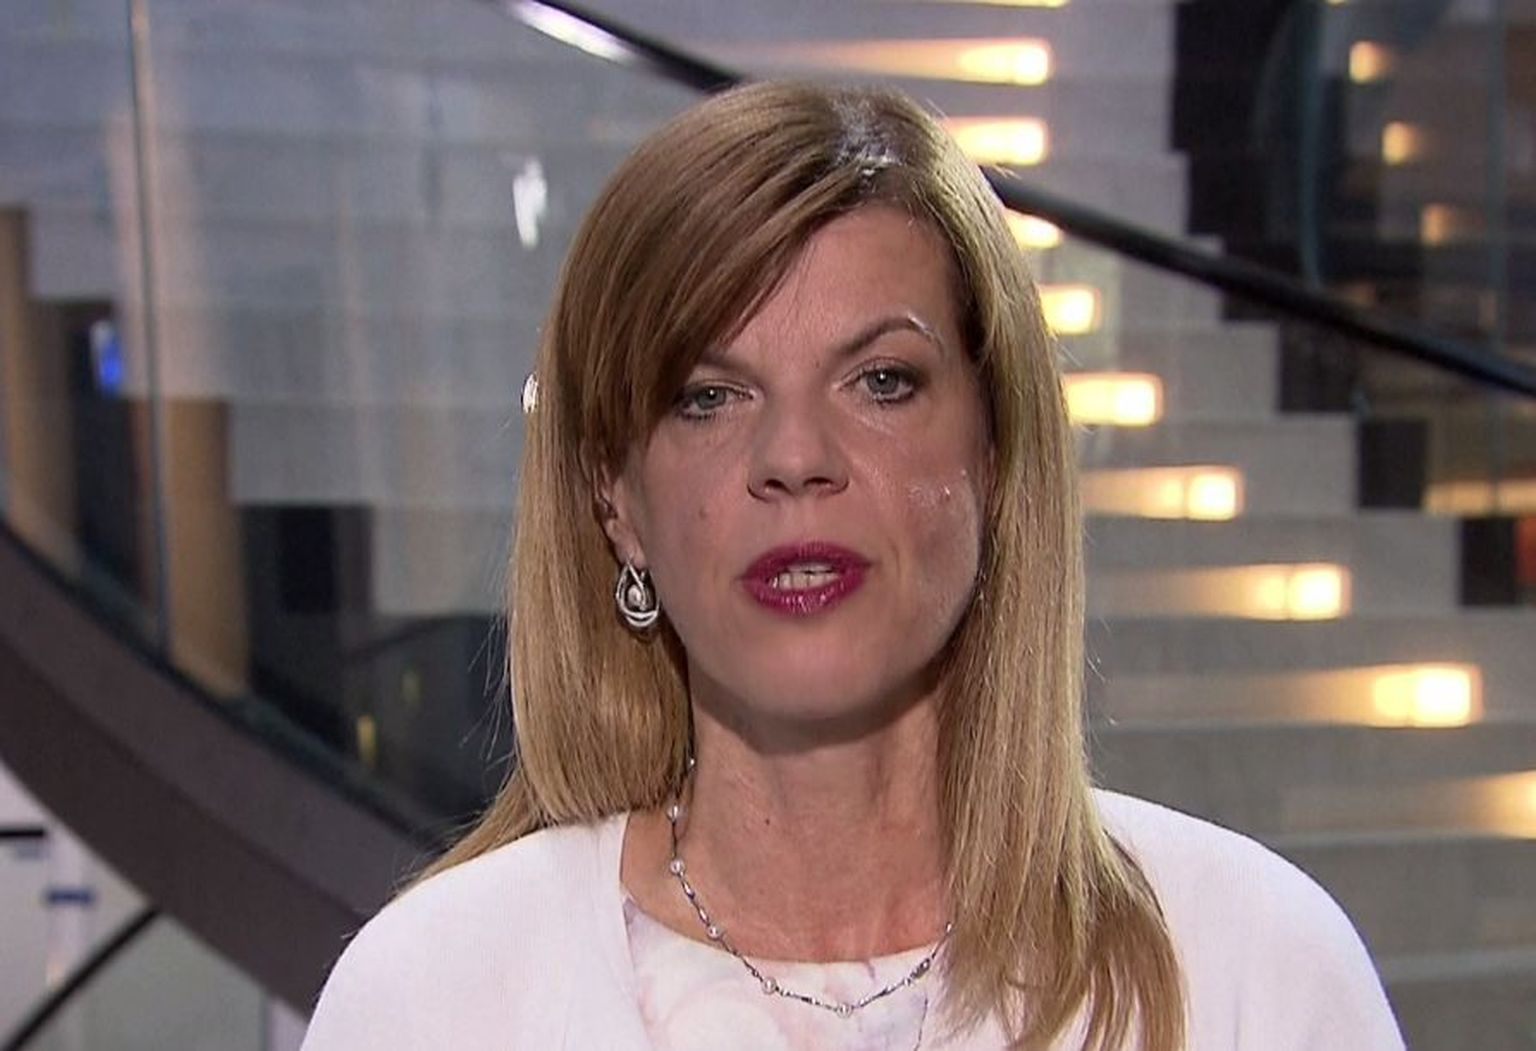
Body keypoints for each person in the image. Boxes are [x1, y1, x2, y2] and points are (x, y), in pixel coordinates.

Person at [300, 81, 1404, 1050]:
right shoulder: (433, 997)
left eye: (881, 381)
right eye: (708, 396)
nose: (794, 457)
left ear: (994, 454)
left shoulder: (1249, 967)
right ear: (616, 502)